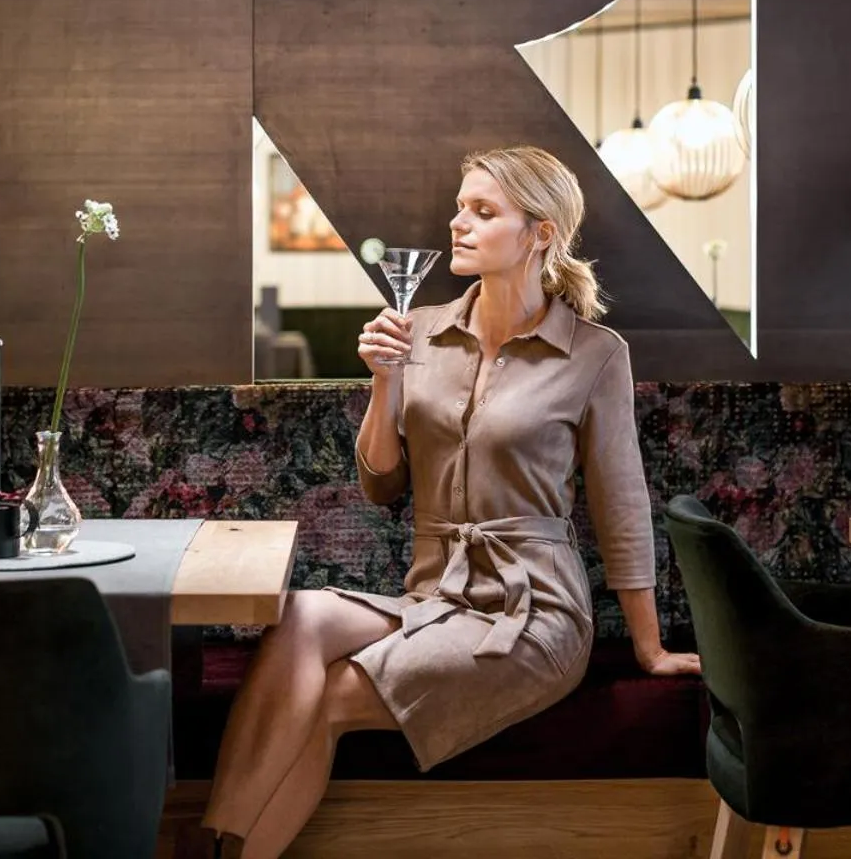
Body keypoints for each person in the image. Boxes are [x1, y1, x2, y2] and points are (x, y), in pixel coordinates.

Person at [196, 145, 700, 859]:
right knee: (304, 614)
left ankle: (220, 851)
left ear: (542, 232)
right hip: (432, 595)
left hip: (532, 615)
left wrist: (648, 649)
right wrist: (382, 381)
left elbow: (621, 503)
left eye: (482, 211)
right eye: (460, 207)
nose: (457, 224)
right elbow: (380, 485)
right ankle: (214, 842)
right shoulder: (421, 330)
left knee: (332, 696)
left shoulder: (595, 353)